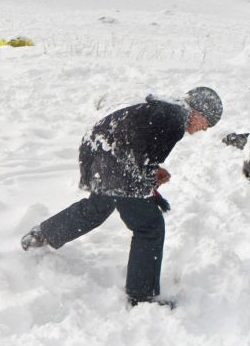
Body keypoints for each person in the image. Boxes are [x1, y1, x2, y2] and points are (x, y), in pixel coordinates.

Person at [20, 88, 224, 308]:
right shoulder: (175, 120)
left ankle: (42, 235)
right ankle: (141, 296)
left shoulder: (170, 112)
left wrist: (152, 172)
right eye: (207, 123)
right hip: (113, 159)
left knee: (97, 208)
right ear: (198, 111)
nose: (204, 129)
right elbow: (137, 151)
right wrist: (149, 176)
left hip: (99, 147)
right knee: (149, 226)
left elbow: (140, 146)